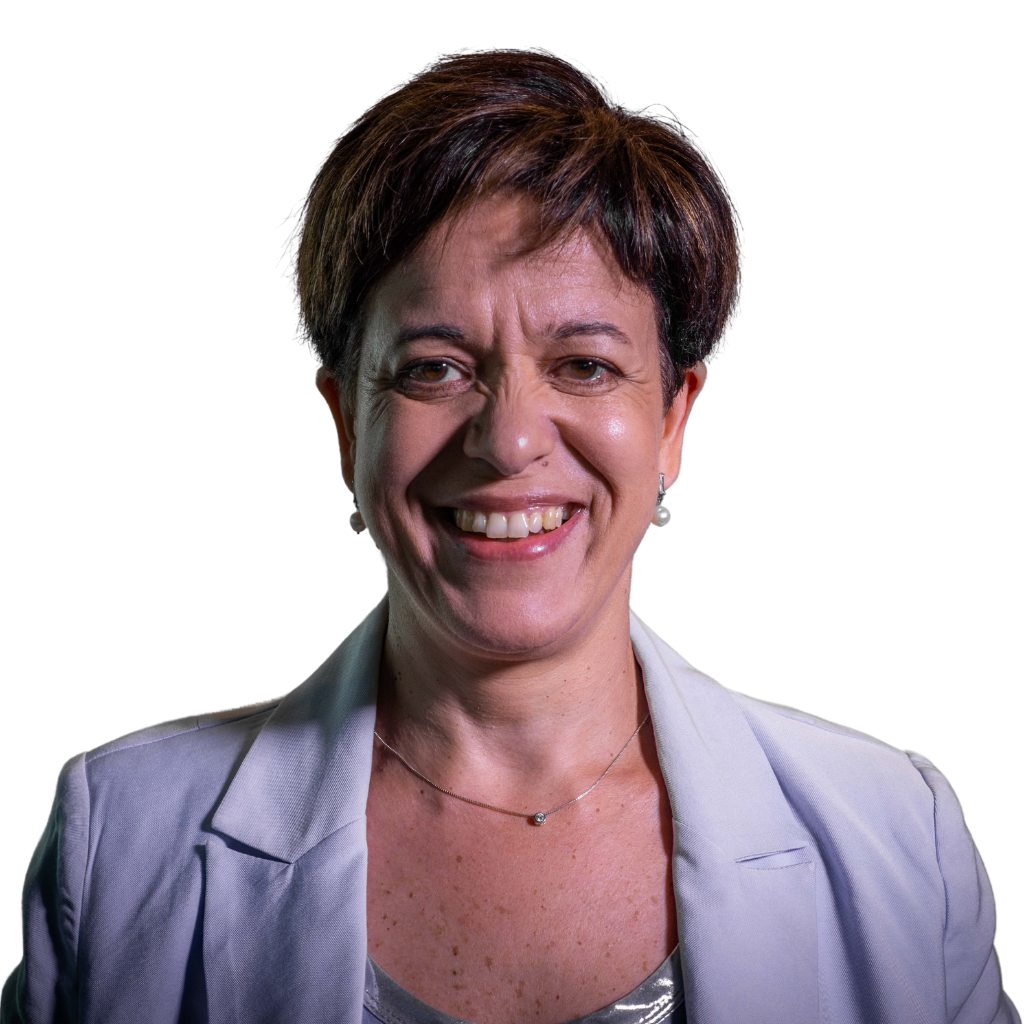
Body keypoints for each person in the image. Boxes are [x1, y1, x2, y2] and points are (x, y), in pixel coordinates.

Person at [1, 46, 1018, 1024]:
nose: (509, 439)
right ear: (347, 426)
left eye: (584, 365)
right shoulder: (117, 838)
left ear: (674, 421)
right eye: (434, 368)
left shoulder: (902, 836)